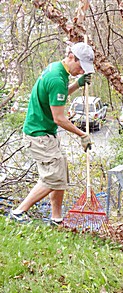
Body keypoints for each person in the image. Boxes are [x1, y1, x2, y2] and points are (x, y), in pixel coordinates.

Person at [10, 42, 95, 225]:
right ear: (71, 57)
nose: (81, 71)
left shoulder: (58, 70)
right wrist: (82, 134)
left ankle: (56, 218)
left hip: (46, 132)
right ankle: (18, 212)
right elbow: (59, 118)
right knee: (53, 176)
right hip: (39, 134)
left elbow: (60, 95)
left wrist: (77, 84)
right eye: (80, 67)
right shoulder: (57, 78)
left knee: (60, 172)